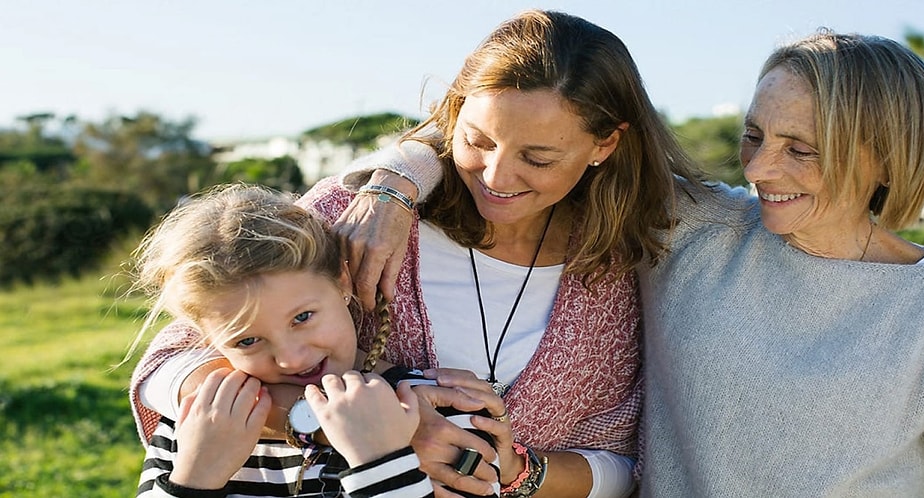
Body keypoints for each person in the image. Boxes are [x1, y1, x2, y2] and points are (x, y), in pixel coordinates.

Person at [334, 30, 924, 496]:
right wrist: (397, 183)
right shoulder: (692, 228)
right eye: (754, 136)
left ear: (888, 153)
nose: (761, 169)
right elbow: (511, 129)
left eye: (801, 149)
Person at [129, 9, 706, 498]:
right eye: (476, 141)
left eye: (539, 157)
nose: (496, 176)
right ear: (453, 115)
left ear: (605, 144)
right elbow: (173, 360)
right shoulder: (357, 216)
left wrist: (518, 472)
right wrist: (348, 430)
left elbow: (622, 460)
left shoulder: (615, 266)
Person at [127, 183, 432, 497]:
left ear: (343, 282)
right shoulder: (199, 423)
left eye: (302, 318)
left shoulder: (428, 410)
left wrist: (382, 465)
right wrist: (195, 478)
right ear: (207, 339)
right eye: (247, 341)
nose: (291, 359)